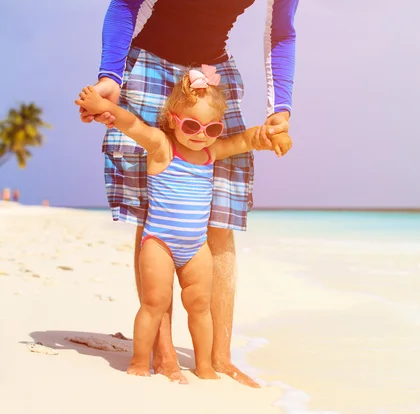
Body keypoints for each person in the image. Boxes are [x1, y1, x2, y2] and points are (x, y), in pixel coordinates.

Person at [79, 0, 299, 386]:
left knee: (222, 212)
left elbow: (281, 31)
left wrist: (280, 107)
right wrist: (111, 76)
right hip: (150, 63)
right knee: (153, 211)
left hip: (213, 72)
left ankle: (220, 357)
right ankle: (163, 354)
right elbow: (127, 4)